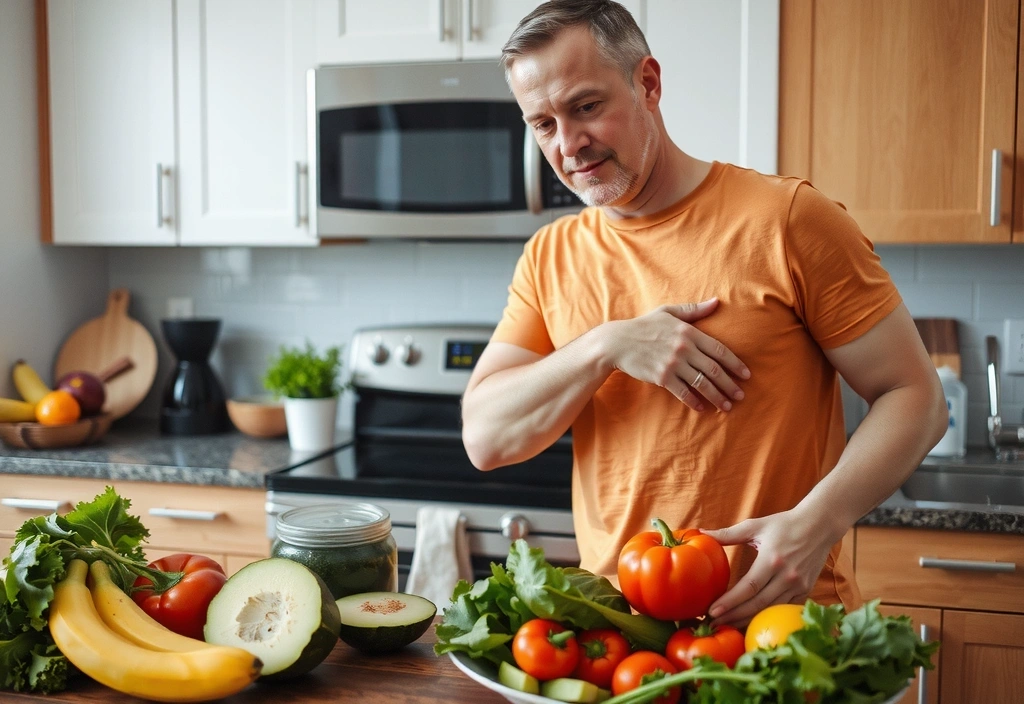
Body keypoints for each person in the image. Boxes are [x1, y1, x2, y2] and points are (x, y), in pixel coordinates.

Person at [461, 0, 947, 627]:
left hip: (782, 628)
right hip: (620, 637)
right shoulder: (550, 256)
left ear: (649, 83)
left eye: (585, 107)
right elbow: (485, 437)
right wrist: (606, 346)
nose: (569, 144)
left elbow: (917, 397)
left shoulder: (787, 219)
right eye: (543, 123)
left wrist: (818, 522)